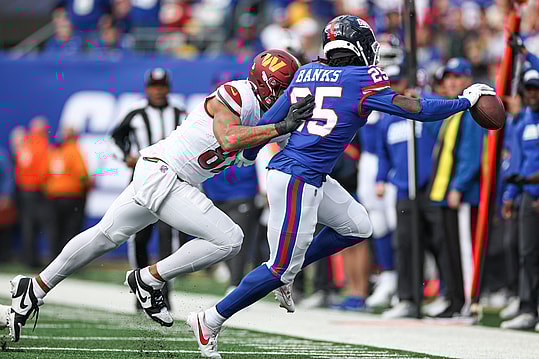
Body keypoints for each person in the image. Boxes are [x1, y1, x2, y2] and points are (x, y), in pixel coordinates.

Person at [187, 15, 496, 359]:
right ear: (358, 46)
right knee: (277, 268)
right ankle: (210, 319)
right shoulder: (363, 79)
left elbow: (268, 123)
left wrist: (249, 151)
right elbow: (417, 108)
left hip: (303, 173)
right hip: (296, 178)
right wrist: (464, 101)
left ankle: (290, 270)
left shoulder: (305, 72)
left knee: (359, 226)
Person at [7, 49, 313, 343]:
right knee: (230, 239)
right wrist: (279, 126)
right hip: (166, 173)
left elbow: (251, 150)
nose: (289, 96)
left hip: (165, 175)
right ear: (267, 85)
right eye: (286, 88)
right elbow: (229, 138)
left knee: (104, 236)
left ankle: (34, 288)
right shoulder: (238, 94)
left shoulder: (265, 113)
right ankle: (149, 278)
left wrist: (289, 128)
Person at [111, 67, 186, 307]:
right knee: (140, 236)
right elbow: (115, 138)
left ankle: (165, 291)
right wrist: (126, 156)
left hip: (170, 183)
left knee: (168, 237)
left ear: (168, 88)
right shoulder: (135, 114)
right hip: (140, 182)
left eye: (162, 86)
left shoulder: (181, 114)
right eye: (154, 87)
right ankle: (140, 290)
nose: (158, 91)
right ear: (147, 89)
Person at [427, 58, 486, 318]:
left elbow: (472, 154)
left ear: (467, 81)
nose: (451, 82)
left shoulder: (473, 113)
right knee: (450, 249)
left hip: (460, 194)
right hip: (445, 193)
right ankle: (454, 299)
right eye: (448, 78)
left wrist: (459, 186)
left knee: (463, 250)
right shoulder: (455, 111)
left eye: (457, 77)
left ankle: (468, 303)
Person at [501, 66, 539, 331]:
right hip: (527, 194)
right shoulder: (522, 122)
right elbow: (518, 162)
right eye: (529, 90)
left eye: (536, 89)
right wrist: (510, 196)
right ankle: (528, 308)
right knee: (527, 253)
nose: (532, 95)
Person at [44, 127, 91, 257]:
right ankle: (68, 259)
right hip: (72, 196)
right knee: (71, 231)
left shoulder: (56, 152)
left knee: (55, 230)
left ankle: (53, 259)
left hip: (54, 197)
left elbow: (45, 174)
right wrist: (87, 186)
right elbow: (82, 175)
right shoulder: (74, 151)